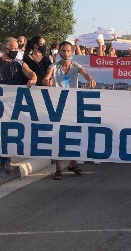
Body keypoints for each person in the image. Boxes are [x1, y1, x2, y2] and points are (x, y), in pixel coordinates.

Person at [0, 38, 38, 174]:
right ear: (5, 49)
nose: (16, 51)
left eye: (17, 49)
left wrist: (33, 79)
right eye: (14, 49)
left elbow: (31, 74)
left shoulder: (19, 64)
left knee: (7, 133)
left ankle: (5, 161)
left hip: (11, 105)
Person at [44, 41, 97, 180]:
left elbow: (86, 75)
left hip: (73, 105)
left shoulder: (76, 66)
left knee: (74, 134)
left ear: (72, 52)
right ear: (59, 52)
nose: (65, 53)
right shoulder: (53, 66)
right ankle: (58, 168)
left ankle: (73, 163)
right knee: (57, 135)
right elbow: (47, 77)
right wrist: (46, 81)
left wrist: (90, 79)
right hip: (58, 105)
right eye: (63, 51)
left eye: (68, 51)